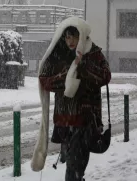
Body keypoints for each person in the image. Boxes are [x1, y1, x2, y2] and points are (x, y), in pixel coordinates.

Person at [30, 17, 111, 181]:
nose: (70, 40)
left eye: (74, 36)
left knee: (76, 165)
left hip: (85, 120)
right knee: (72, 163)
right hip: (65, 119)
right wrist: (66, 79)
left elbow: (105, 76)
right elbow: (44, 79)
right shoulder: (58, 54)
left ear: (82, 35)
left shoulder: (93, 53)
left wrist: (83, 68)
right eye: (67, 36)